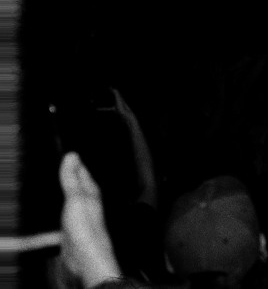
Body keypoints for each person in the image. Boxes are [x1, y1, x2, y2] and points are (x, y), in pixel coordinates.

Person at [57, 89, 267, 289]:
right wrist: (93, 261)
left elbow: (148, 190)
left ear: (168, 262)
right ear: (263, 246)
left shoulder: (143, 261)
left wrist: (130, 119)